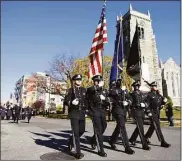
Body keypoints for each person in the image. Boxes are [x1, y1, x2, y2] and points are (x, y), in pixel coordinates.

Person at [108, 77, 135, 154]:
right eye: (118, 81)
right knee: (122, 126)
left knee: (119, 126)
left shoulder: (124, 90)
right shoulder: (113, 90)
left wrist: (128, 102)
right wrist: (121, 92)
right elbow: (111, 95)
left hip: (123, 110)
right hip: (117, 110)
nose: (119, 82)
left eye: (120, 81)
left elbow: (130, 98)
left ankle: (112, 140)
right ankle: (127, 147)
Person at [65, 74, 88, 159]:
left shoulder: (84, 90)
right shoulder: (70, 90)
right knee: (76, 133)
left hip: (82, 113)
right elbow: (66, 100)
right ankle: (78, 152)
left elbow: (86, 101)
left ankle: (71, 140)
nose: (79, 81)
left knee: (81, 130)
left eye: (80, 80)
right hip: (74, 113)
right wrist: (71, 102)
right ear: (74, 81)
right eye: (77, 80)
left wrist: (86, 111)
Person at [87, 75, 109, 157]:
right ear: (95, 82)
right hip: (94, 111)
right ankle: (101, 150)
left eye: (99, 81)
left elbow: (108, 101)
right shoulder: (91, 89)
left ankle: (93, 139)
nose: (99, 82)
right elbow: (90, 90)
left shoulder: (104, 91)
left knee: (104, 126)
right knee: (98, 129)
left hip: (102, 111)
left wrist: (105, 99)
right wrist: (98, 86)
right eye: (97, 81)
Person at [144, 81, 171, 148]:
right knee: (157, 127)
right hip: (152, 112)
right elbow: (146, 104)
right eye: (154, 86)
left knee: (153, 126)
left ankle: (145, 137)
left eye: (156, 86)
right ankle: (162, 142)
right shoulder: (149, 94)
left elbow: (161, 103)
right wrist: (148, 112)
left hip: (157, 112)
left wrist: (164, 102)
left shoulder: (159, 95)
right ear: (151, 87)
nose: (155, 87)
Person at [129, 81, 150, 150]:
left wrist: (145, 105)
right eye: (135, 86)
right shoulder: (131, 94)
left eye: (138, 86)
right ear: (133, 87)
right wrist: (137, 105)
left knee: (139, 127)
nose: (137, 87)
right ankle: (144, 144)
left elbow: (145, 101)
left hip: (142, 111)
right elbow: (130, 104)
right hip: (136, 111)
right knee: (141, 128)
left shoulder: (141, 94)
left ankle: (132, 139)